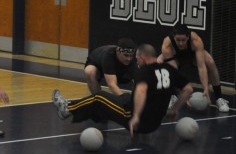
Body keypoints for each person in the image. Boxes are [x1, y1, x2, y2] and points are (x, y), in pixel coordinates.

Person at [52, 44, 193, 136]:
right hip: (155, 123)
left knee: (99, 97)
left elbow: (141, 91)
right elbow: (188, 89)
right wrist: (175, 109)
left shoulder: (144, 72)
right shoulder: (169, 69)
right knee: (124, 97)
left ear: (142, 58)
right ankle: (97, 115)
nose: (135, 61)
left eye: (136, 58)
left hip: (138, 120)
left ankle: (67, 109)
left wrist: (136, 116)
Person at [157, 24, 229, 112]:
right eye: (178, 40)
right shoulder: (167, 45)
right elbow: (174, 71)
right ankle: (173, 96)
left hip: (192, 56)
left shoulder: (196, 40)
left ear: (188, 37)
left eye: (183, 40)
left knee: (210, 62)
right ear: (173, 37)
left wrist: (206, 88)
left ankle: (219, 98)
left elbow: (201, 66)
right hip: (176, 57)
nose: (181, 43)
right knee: (159, 62)